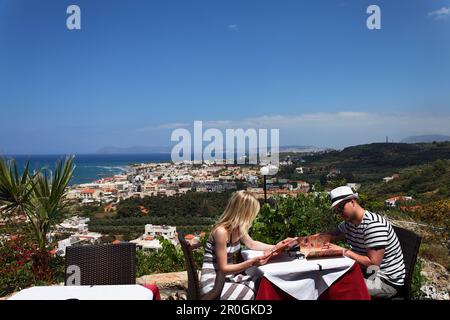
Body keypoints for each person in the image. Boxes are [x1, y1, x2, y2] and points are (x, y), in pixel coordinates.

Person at [312, 186, 406, 298]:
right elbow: (332, 235)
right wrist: (298, 242)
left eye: (341, 207)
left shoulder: (373, 225)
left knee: (333, 287)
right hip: (366, 272)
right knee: (326, 277)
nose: (340, 212)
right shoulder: (350, 222)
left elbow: (373, 265)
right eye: (337, 210)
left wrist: (342, 251)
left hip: (384, 281)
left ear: (352, 201)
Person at [199, 190, 287, 300]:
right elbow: (224, 268)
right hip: (213, 283)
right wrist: (251, 263)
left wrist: (277, 247)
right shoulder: (221, 232)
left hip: (226, 278)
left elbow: (252, 244)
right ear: (244, 213)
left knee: (264, 283)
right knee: (252, 292)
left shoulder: (238, 229)